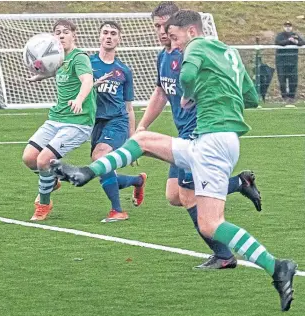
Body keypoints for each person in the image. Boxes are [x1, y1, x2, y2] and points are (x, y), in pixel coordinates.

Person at [51, 10, 297, 311]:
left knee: (209, 221)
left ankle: (276, 267)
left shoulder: (196, 46)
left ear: (191, 31)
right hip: (223, 141)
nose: (175, 44)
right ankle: (87, 171)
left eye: (177, 37)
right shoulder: (229, 52)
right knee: (147, 147)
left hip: (210, 141)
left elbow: (189, 76)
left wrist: (189, 94)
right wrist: (217, 95)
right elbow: (250, 98)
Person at [135, 1, 262, 270]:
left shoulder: (194, 52)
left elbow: (206, 82)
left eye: (166, 27)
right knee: (174, 196)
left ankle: (224, 255)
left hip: (201, 133)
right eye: (157, 27)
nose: (162, 32)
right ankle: (239, 184)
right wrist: (142, 126)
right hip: (183, 134)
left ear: (182, 27)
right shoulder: (164, 56)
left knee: (190, 196)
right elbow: (161, 92)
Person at [23, 19, 95, 221]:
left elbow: (87, 80)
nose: (61, 35)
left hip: (77, 122)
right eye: (57, 33)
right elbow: (55, 71)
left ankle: (43, 204)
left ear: (74, 35)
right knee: (29, 158)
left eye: (65, 32)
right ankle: (52, 181)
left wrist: (80, 99)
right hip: (56, 119)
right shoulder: (58, 58)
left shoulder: (79, 58)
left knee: (43, 160)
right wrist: (39, 77)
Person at [90, 21, 147, 223]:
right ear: (99, 36)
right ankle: (137, 181)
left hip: (118, 121)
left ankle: (118, 211)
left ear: (119, 39)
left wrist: (132, 140)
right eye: (105, 32)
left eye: (113, 33)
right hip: (96, 123)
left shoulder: (123, 71)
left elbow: (129, 107)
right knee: (102, 168)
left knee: (101, 156)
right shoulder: (88, 64)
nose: (109, 36)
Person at [275, 21, 304, 102]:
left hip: (293, 62)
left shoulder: (295, 35)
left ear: (291, 27)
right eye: (286, 26)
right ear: (283, 27)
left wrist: (296, 42)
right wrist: (289, 40)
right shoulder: (280, 35)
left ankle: (292, 97)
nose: (288, 27)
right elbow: (279, 42)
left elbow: (302, 42)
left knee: (293, 80)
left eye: (289, 26)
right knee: (282, 80)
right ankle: (284, 97)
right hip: (281, 62)